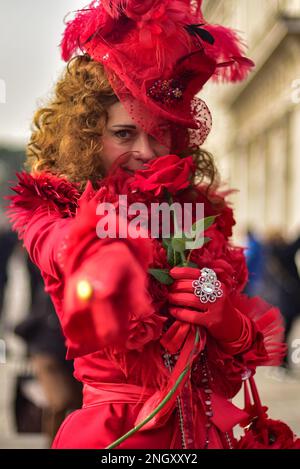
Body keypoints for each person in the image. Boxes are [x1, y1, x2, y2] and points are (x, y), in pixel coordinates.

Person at [5, 1, 296, 449]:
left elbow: (234, 364)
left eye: (158, 131)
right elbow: (64, 247)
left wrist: (224, 320)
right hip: (117, 440)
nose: (146, 150)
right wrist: (106, 257)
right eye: (124, 133)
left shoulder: (196, 217)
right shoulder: (53, 212)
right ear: (87, 136)